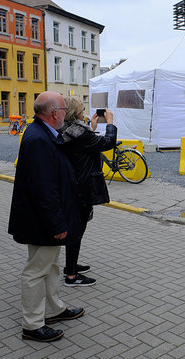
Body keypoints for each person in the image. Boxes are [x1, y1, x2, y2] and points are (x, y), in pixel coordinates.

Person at [8, 91, 85, 342]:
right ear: (54, 113)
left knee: (50, 266)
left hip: (43, 218)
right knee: (36, 270)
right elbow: (43, 189)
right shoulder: (38, 139)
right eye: (63, 109)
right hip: (42, 221)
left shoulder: (44, 133)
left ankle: (53, 309)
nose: (65, 114)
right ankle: (31, 324)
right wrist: (57, 223)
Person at [60, 97, 117, 287]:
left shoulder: (65, 130)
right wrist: (109, 123)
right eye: (82, 109)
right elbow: (107, 143)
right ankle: (71, 275)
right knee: (77, 229)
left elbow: (83, 146)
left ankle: (72, 266)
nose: (83, 112)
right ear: (76, 111)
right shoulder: (80, 132)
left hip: (72, 183)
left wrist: (91, 128)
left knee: (75, 228)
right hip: (83, 186)